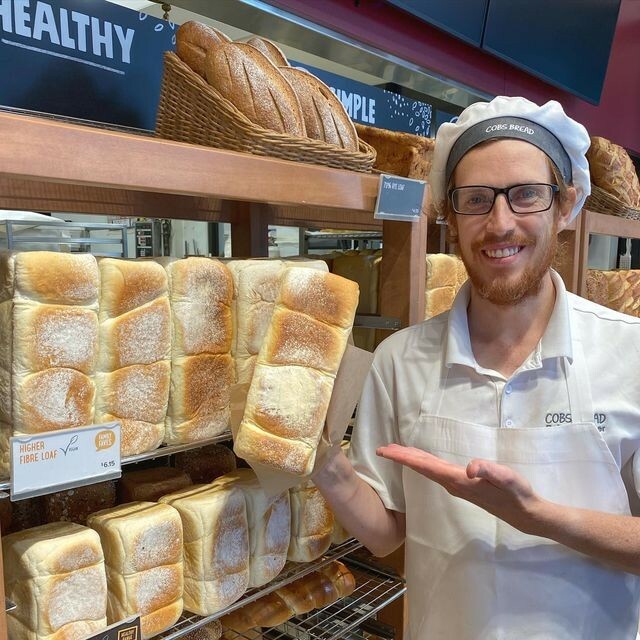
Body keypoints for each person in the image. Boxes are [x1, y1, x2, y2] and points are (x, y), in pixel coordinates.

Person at [312, 96, 640, 639]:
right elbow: (387, 534)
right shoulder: (400, 361)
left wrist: (537, 516)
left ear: (566, 205)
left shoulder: (629, 354)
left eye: (526, 195)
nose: (500, 222)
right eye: (476, 200)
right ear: (450, 215)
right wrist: (322, 462)